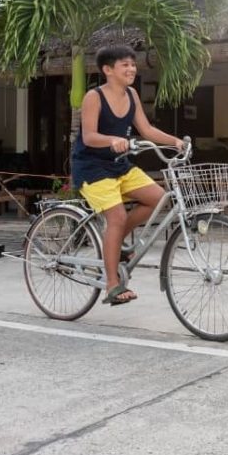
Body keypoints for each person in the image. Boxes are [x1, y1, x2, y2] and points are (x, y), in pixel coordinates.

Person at [71, 45, 184, 306]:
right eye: (125, 65)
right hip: (92, 167)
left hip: (120, 164)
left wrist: (175, 141)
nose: (132, 68)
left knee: (158, 198)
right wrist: (113, 139)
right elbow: (88, 136)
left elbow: (146, 130)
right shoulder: (94, 97)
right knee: (117, 217)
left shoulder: (131, 94)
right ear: (108, 70)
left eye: (133, 64)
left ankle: (118, 239)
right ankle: (112, 284)